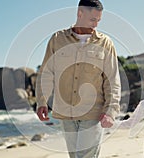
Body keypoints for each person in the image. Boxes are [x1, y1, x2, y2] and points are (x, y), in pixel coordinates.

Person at [35, 0, 121, 157]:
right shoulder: (57, 39)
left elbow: (112, 80)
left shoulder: (105, 43)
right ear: (80, 14)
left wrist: (111, 111)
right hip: (65, 113)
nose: (95, 25)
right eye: (92, 19)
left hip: (93, 113)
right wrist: (42, 101)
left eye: (98, 20)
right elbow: (47, 74)